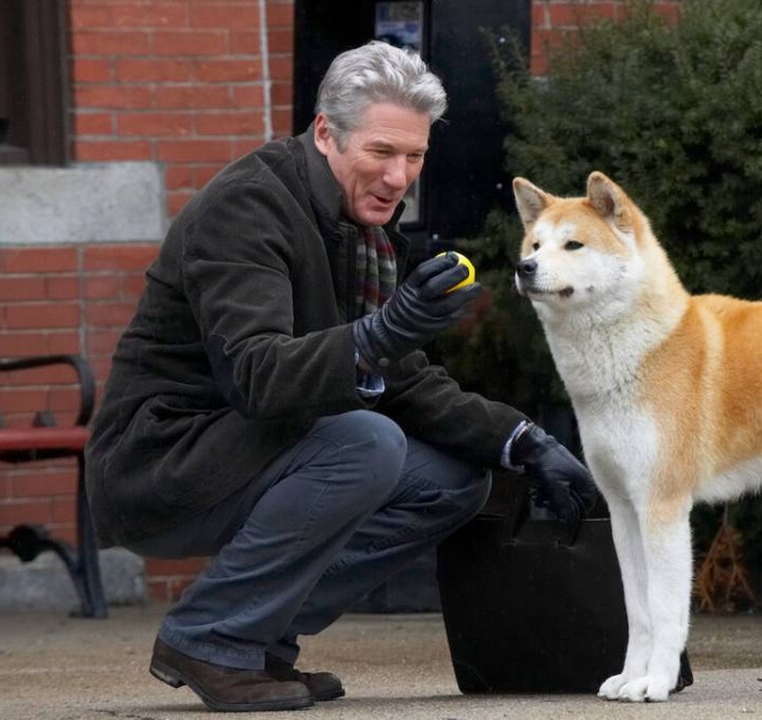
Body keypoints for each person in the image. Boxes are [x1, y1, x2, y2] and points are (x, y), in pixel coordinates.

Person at [85, 41, 597, 713]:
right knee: (365, 442)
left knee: (454, 481)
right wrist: (384, 332)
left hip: (248, 453)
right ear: (326, 133)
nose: (398, 177)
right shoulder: (249, 208)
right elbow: (258, 378)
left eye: (414, 157)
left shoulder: (356, 227)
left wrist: (523, 441)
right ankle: (212, 637)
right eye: (381, 153)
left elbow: (403, 377)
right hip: (161, 465)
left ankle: (260, 636)